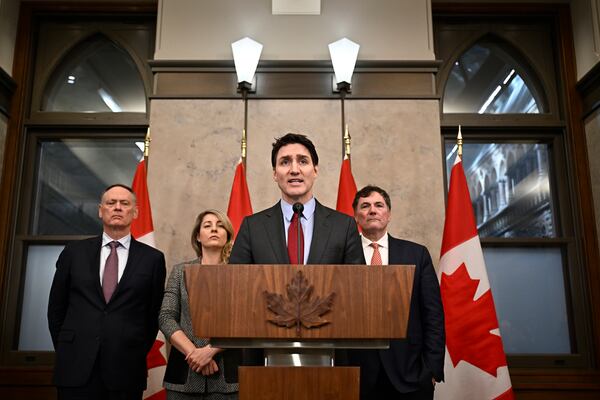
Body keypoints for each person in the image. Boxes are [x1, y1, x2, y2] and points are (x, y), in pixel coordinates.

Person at [47, 184, 166, 400]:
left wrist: (133, 346)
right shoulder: (74, 252)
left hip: (126, 368)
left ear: (135, 212)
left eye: (124, 203)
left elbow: (152, 315)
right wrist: (70, 347)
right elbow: (56, 307)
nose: (117, 208)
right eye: (111, 203)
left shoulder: (153, 259)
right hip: (75, 366)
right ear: (101, 210)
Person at [347, 185, 445, 400]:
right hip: (356, 375)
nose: (372, 210)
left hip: (410, 375)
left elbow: (433, 315)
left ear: (388, 215)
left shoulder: (416, 254)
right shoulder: (343, 255)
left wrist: (431, 369)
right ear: (355, 216)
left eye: (378, 205)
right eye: (365, 206)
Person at [229, 132, 363, 265]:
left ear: (315, 170)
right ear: (275, 174)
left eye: (303, 161)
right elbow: (236, 281)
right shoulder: (252, 227)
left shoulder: (343, 226)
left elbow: (356, 282)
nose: (294, 170)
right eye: (285, 162)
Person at [159, 209, 239, 400]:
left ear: (227, 234)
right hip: (184, 372)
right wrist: (194, 353)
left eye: (220, 226)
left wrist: (210, 350)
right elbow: (166, 317)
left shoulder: (239, 273)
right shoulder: (180, 272)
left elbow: (245, 321)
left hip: (227, 376)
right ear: (198, 236)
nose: (214, 229)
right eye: (207, 225)